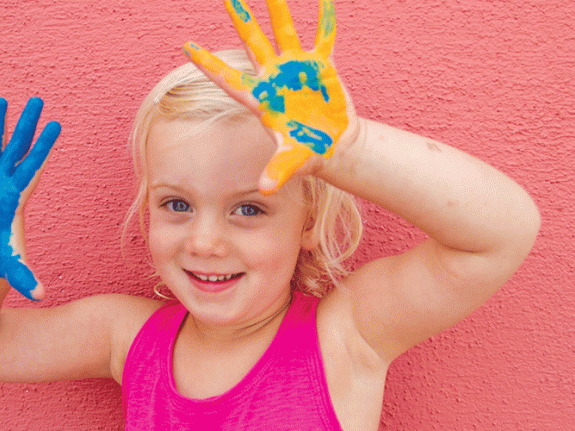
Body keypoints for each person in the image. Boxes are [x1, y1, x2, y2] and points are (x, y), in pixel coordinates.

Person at [0, 0, 540, 430]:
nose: (204, 241)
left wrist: (349, 151)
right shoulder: (126, 335)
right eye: (177, 204)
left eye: (250, 208)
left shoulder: (345, 335)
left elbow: (499, 235)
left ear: (308, 223)